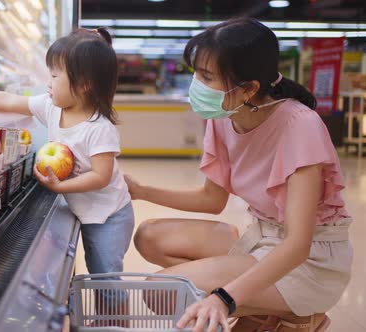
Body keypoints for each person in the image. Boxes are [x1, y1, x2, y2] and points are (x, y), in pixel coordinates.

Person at [125, 17, 352, 332]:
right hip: (261, 237)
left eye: (206, 76)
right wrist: (141, 191)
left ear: (248, 89)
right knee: (149, 236)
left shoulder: (300, 126)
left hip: (309, 260)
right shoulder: (224, 114)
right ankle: (264, 306)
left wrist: (224, 297)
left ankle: (295, 310)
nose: (196, 85)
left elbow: (298, 243)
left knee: (161, 291)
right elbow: (211, 199)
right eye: (196, 74)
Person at [0, 28, 134, 326]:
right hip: (86, 208)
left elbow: (102, 176)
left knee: (105, 274)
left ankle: (115, 322)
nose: (48, 82)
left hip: (109, 216)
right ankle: (107, 320)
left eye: (55, 76)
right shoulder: (52, 107)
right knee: (97, 270)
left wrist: (61, 185)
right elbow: (8, 100)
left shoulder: (99, 127)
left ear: (84, 84)